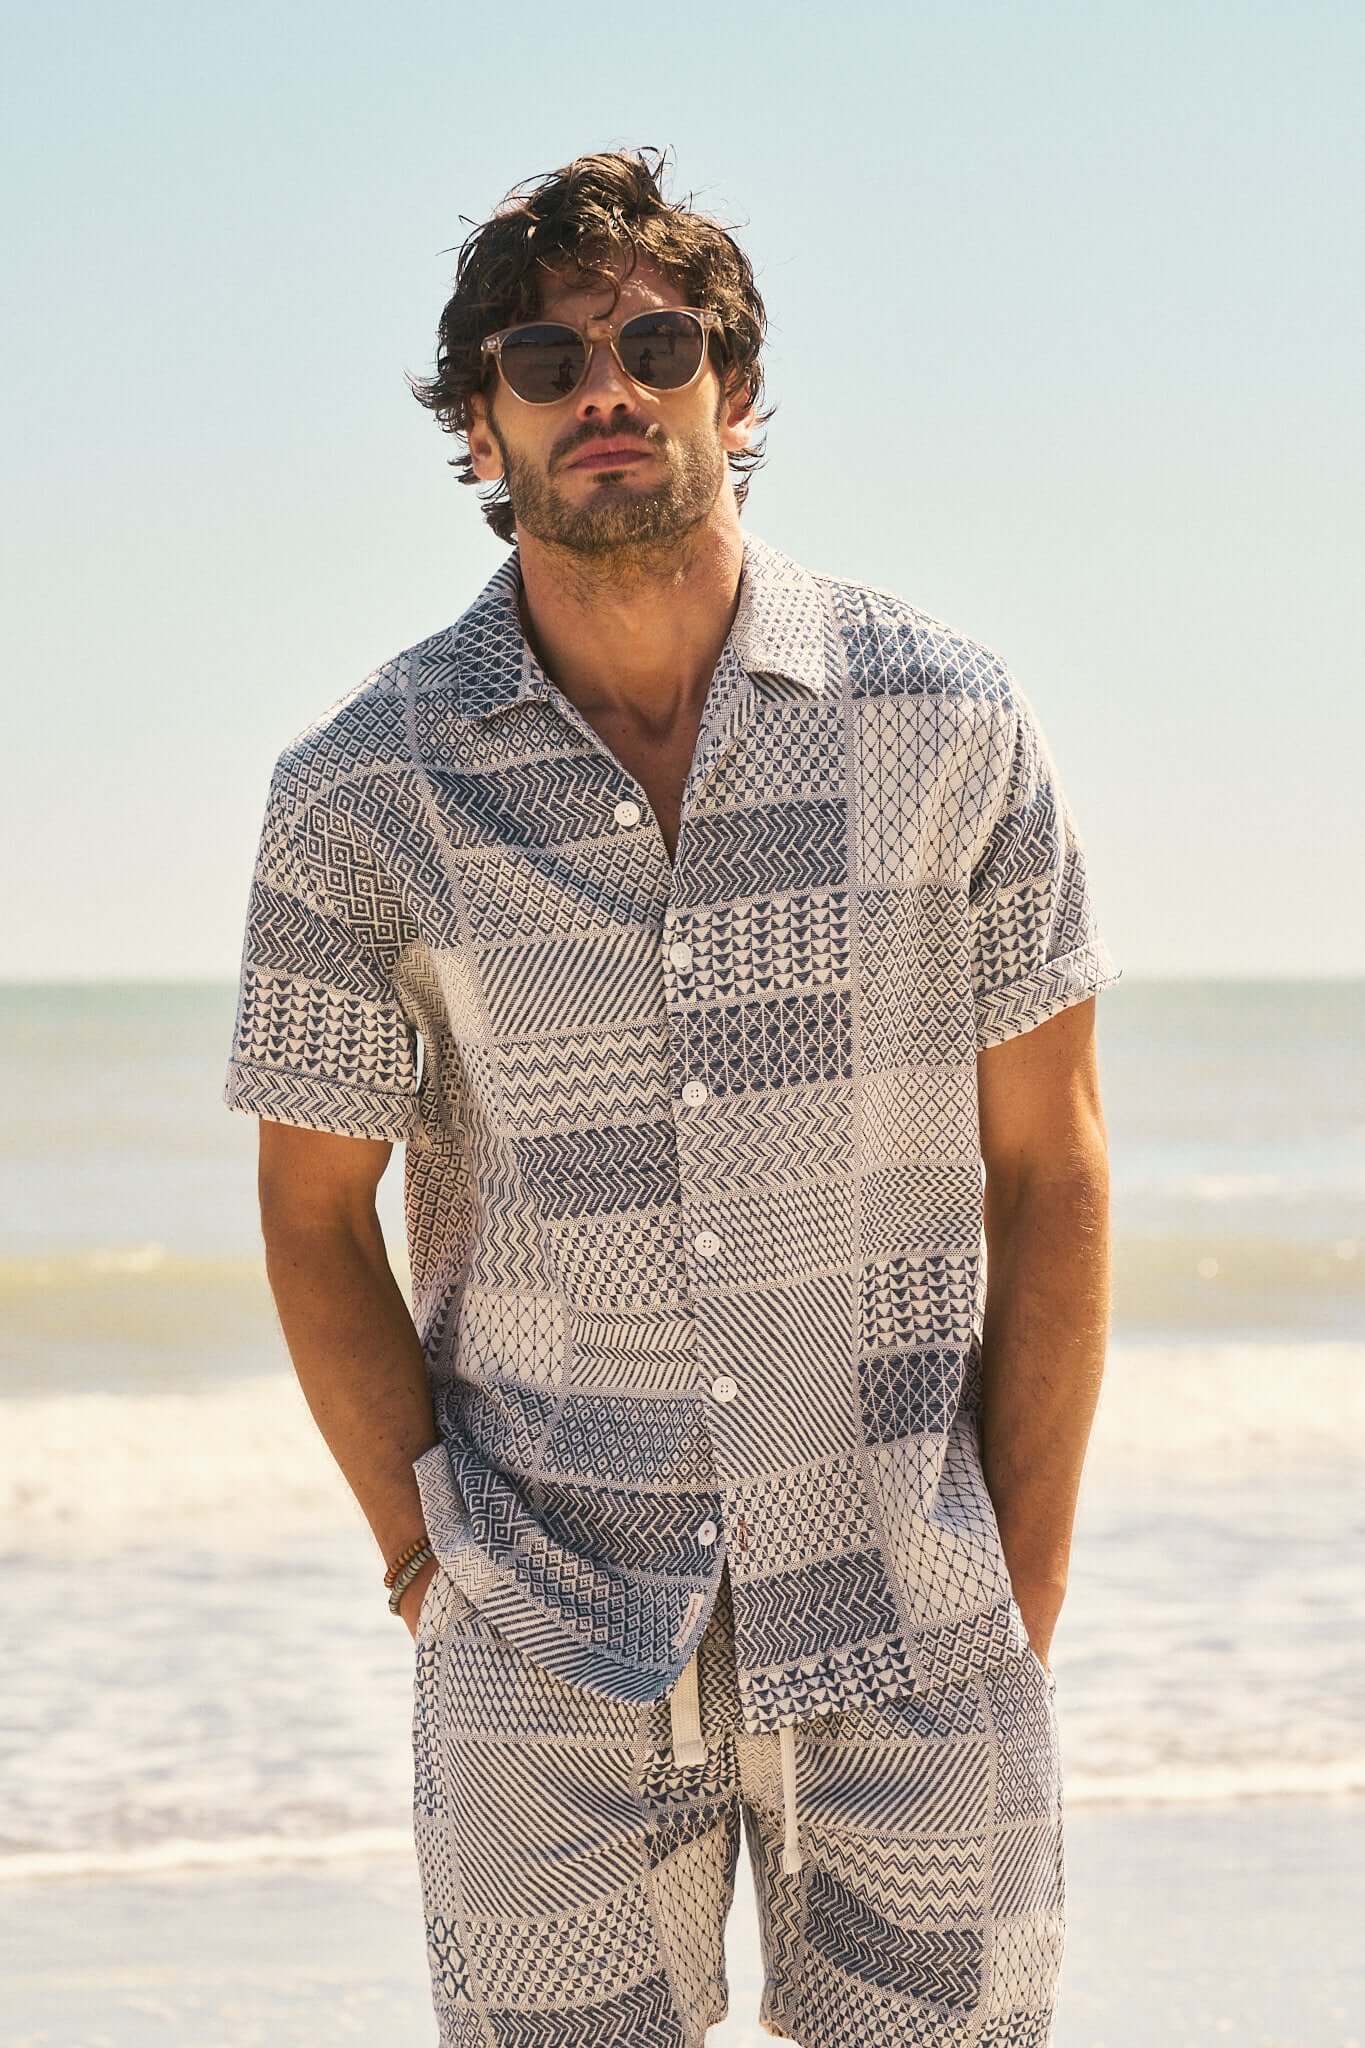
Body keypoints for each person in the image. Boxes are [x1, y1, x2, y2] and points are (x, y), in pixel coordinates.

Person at [223, 144, 1122, 2048]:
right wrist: (427, 1569)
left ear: (736, 385)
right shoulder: (362, 789)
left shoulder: (945, 722)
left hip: (908, 1601)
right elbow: (314, 1213)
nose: (604, 388)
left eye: (655, 341)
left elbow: (1052, 1170)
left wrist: (1013, 1581)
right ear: (483, 425)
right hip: (538, 1628)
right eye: (543, 361)